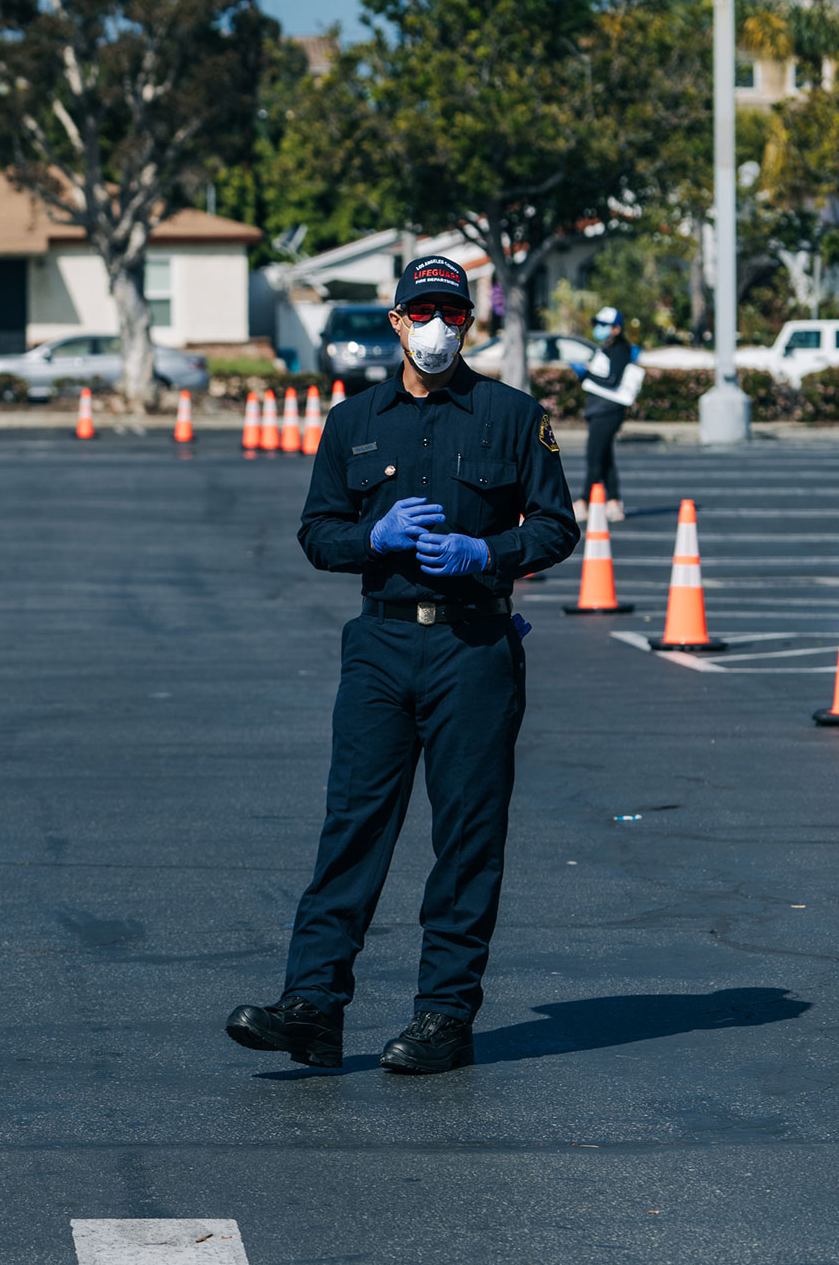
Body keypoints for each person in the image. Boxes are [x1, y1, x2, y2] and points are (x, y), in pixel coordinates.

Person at [224, 255, 579, 1074]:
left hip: (474, 643)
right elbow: (318, 533)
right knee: (353, 822)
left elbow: (557, 528)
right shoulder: (354, 421)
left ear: (469, 323)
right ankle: (312, 1004)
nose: (436, 327)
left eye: (451, 313)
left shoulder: (514, 416)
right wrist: (371, 538)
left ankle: (443, 1015)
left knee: (466, 832)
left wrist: (484, 550)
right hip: (381, 643)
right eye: (421, 311)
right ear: (395, 321)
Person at [579, 307, 635, 523]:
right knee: (604, 457)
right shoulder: (606, 349)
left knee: (594, 456)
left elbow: (612, 381)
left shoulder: (620, 349)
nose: (599, 329)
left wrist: (587, 374)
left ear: (617, 329)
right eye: (598, 324)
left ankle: (584, 502)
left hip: (609, 411)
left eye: (605, 325)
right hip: (598, 410)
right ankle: (614, 501)